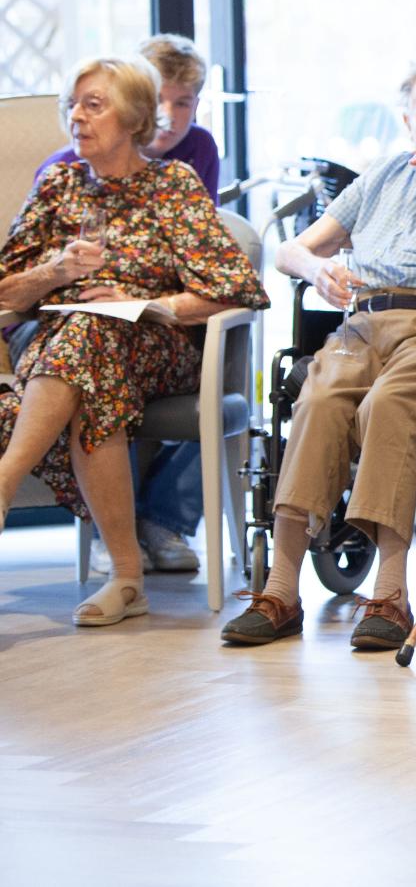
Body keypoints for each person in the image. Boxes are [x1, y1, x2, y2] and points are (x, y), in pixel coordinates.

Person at [219, 58, 416, 651]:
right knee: (318, 398)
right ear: (406, 120)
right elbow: (291, 250)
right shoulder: (382, 175)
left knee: (391, 403)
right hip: (365, 321)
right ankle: (280, 589)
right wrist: (318, 269)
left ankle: (391, 594)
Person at [0, 56, 267, 625]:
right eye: (72, 105)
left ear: (134, 117)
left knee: (91, 334)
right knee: (85, 352)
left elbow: (234, 287)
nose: (76, 117)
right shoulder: (59, 184)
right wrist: (55, 273)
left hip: (153, 345)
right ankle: (126, 580)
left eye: (93, 105)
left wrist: (149, 307)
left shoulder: (171, 185)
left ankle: (4, 482)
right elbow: (7, 289)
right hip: (63, 347)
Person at [35, 33, 222, 200]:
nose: (168, 115)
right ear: (134, 103)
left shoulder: (198, 149)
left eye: (182, 104)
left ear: (196, 106)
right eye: (157, 100)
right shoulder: (62, 171)